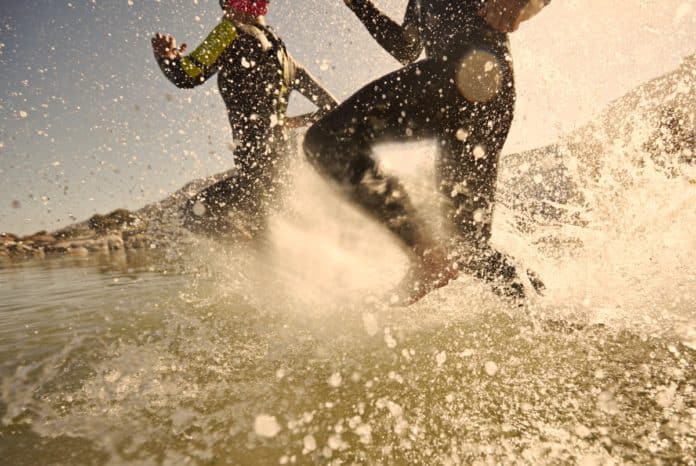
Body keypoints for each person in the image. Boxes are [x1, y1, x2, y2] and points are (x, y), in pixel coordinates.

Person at [304, 0, 549, 303]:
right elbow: (407, 49)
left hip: (472, 72)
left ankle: (426, 258)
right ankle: (549, 311)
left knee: (327, 141)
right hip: (468, 93)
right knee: (469, 248)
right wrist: (359, 5)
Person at [152, 0, 337, 239]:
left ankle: (261, 264)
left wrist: (165, 56)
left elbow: (186, 76)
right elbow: (332, 108)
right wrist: (287, 122)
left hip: (256, 173)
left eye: (224, 4)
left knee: (193, 214)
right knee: (271, 237)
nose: (223, 11)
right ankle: (277, 267)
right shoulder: (287, 59)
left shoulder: (230, 31)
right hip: (286, 172)